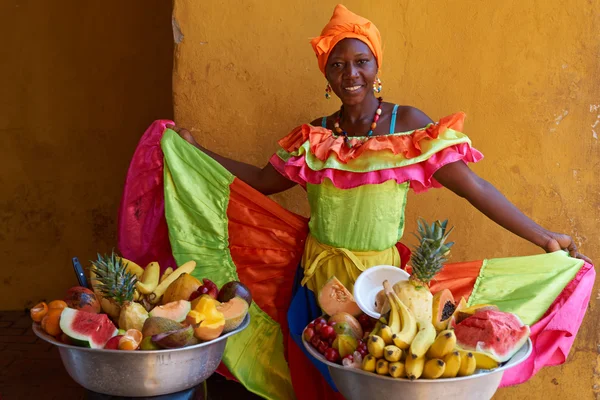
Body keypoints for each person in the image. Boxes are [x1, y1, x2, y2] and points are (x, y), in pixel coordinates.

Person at [120, 4, 593, 400]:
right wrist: (192, 151)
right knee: (323, 387)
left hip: (385, 292)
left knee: (387, 382)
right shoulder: (314, 138)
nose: (351, 74)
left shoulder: (406, 127)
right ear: (326, 72)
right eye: (339, 64)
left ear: (377, 66)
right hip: (317, 285)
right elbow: (261, 182)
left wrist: (544, 235)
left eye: (361, 61)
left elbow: (476, 187)